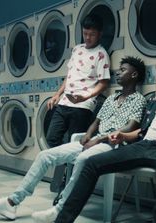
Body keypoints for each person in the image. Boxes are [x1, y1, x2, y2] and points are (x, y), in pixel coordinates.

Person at [0, 56, 147, 221]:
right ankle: (12, 202)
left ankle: (60, 209)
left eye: (123, 70)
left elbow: (130, 127)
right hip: (95, 141)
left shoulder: (138, 100)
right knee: (44, 156)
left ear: (134, 75)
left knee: (82, 159)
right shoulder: (111, 98)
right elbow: (96, 121)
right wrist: (88, 136)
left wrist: (99, 140)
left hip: (113, 145)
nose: (118, 72)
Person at [54, 50, 156, 223]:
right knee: (91, 163)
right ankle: (62, 220)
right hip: (143, 145)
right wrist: (122, 135)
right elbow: (142, 132)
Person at [45, 13, 110, 195]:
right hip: (65, 102)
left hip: (83, 106)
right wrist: (56, 95)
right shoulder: (77, 49)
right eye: (85, 33)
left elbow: (103, 82)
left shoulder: (101, 54)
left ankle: (69, 185)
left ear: (99, 34)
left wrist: (85, 96)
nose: (87, 37)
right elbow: (69, 76)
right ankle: (65, 166)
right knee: (52, 137)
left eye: (92, 34)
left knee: (75, 144)